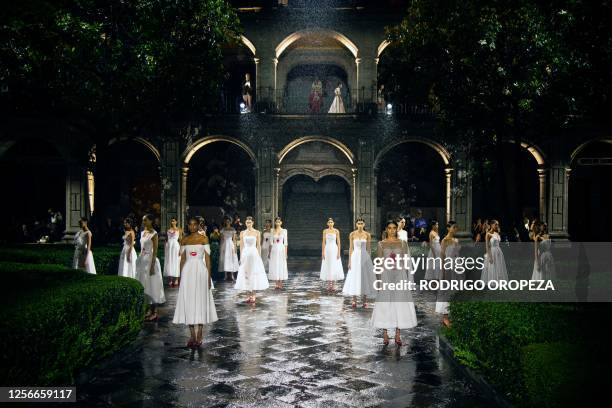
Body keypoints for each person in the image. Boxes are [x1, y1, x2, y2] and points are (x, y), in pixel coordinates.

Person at [173, 217, 218, 348]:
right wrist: (180, 277)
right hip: (187, 272)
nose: (192, 227)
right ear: (187, 225)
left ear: (199, 225)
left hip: (201, 271)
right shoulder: (184, 240)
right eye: (190, 224)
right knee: (189, 301)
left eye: (195, 224)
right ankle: (192, 335)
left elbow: (208, 260)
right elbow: (182, 260)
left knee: (201, 300)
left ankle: (200, 334)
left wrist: (209, 278)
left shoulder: (204, 239)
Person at [371, 219, 417, 346]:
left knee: (399, 303)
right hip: (386, 275)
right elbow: (379, 263)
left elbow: (405, 262)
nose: (391, 230)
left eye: (393, 228)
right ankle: (385, 333)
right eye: (389, 228)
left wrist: (407, 279)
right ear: (386, 229)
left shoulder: (402, 243)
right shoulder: (381, 244)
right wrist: (378, 281)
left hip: (399, 275)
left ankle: (398, 333)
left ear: (397, 229)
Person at [136, 214, 166, 322]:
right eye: (143, 220)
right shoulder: (143, 232)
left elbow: (155, 251)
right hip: (142, 261)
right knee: (145, 285)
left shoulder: (154, 234)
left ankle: (155, 312)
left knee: (152, 285)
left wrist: (152, 266)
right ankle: (149, 310)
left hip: (150, 261)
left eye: (145, 220)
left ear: (151, 221)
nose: (144, 222)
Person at [342, 217, 376, 308]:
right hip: (355, 257)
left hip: (365, 256)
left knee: (365, 277)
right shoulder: (352, 234)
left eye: (361, 223)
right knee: (355, 276)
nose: (360, 225)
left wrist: (369, 260)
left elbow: (369, 249)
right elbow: (350, 248)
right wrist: (349, 261)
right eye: (358, 223)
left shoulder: (367, 234)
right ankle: (354, 300)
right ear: (356, 224)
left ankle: (365, 300)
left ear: (364, 224)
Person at [235, 216, 269, 303]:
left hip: (254, 254)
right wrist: (241, 257)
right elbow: (242, 246)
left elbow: (258, 246)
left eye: (250, 222)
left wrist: (259, 256)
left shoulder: (257, 232)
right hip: (246, 254)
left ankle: (253, 294)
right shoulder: (242, 232)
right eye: (247, 222)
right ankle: (248, 294)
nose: (248, 224)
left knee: (253, 273)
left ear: (253, 223)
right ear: (245, 223)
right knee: (246, 273)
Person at [435, 221, 461, 326]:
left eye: (456, 227)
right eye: (453, 227)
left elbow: (457, 254)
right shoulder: (444, 240)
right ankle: (445, 316)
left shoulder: (456, 240)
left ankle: (452, 314)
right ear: (448, 228)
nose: (455, 229)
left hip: (456, 265)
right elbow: (442, 256)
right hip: (448, 266)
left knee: (455, 290)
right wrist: (443, 270)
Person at [320, 217, 344, 291]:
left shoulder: (336, 231)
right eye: (329, 222)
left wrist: (339, 252)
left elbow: (339, 242)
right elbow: (323, 242)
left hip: (334, 248)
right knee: (328, 264)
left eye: (331, 222)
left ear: (333, 223)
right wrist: (323, 252)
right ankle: (329, 284)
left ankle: (333, 284)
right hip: (327, 249)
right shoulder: (325, 231)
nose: (330, 223)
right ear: (327, 223)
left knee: (334, 264)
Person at [268, 217, 288, 289]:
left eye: (279, 222)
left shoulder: (284, 231)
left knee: (281, 265)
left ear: (281, 222)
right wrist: (269, 252)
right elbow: (271, 243)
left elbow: (285, 243)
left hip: (281, 249)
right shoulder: (272, 230)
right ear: (275, 223)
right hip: (274, 249)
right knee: (275, 264)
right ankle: (276, 283)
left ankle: (280, 283)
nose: (278, 223)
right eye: (276, 222)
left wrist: (286, 254)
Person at [219, 217, 239, 281]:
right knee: (225, 259)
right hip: (225, 245)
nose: (227, 222)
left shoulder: (233, 229)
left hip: (231, 245)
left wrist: (235, 247)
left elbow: (234, 240)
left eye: (228, 221)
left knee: (232, 258)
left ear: (230, 222)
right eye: (226, 221)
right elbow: (221, 239)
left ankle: (232, 275)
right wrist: (221, 248)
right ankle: (225, 275)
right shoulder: (223, 229)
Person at [164, 218, 182, 287]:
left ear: (176, 222)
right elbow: (166, 239)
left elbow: (180, 240)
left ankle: (176, 278)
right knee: (170, 262)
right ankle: (170, 279)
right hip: (169, 247)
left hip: (175, 247)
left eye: (174, 221)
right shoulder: (168, 230)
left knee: (176, 261)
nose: (172, 222)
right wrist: (165, 247)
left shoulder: (179, 230)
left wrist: (180, 249)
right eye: (171, 221)